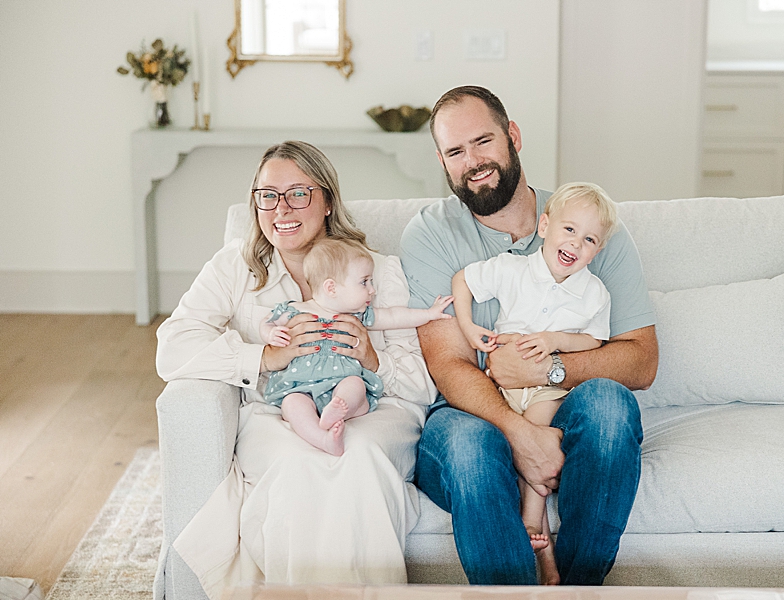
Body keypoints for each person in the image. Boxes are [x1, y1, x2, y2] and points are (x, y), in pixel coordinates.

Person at [399, 86, 659, 585]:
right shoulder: (430, 234)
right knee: (470, 446)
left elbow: (641, 361)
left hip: (559, 399)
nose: (473, 161)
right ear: (442, 161)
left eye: (483, 141)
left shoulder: (588, 227)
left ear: (513, 136)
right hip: (469, 414)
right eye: (456, 152)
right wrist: (521, 435)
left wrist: (550, 368)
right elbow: (450, 364)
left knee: (609, 406)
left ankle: (579, 592)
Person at [156, 141, 437, 599]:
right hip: (280, 412)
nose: (280, 208)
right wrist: (262, 359)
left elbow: (421, 385)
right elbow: (172, 348)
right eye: (267, 195)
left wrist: (370, 357)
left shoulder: (378, 271)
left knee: (357, 458)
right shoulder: (237, 267)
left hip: (372, 408)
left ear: (327, 200)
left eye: (298, 194)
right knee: (293, 463)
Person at [450, 181, 618, 581]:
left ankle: (531, 523)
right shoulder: (512, 269)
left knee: (537, 433)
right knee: (504, 444)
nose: (576, 244)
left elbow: (595, 339)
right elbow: (463, 281)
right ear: (544, 226)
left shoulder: (594, 293)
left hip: (548, 388)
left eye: (590, 239)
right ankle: (545, 558)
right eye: (569, 230)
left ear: (597, 250)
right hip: (502, 386)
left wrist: (556, 340)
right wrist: (469, 327)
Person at [259, 237, 453, 456]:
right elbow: (267, 321)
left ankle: (339, 408)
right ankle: (322, 437)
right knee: (292, 404)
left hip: (341, 381)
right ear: (331, 287)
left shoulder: (358, 316)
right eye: (365, 282)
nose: (372, 290)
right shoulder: (296, 311)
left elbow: (394, 316)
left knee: (355, 384)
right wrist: (271, 333)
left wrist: (429, 314)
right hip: (300, 386)